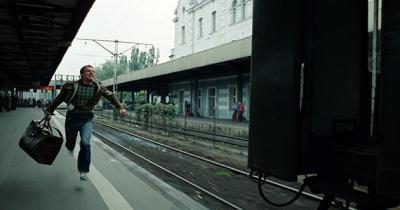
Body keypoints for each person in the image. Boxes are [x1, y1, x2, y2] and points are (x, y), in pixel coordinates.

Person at [44, 65, 128, 180]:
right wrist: (49, 110)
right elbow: (59, 98)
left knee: (85, 143)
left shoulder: (98, 87)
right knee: (70, 143)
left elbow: (111, 96)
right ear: (82, 74)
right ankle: (70, 146)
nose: (91, 73)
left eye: (93, 72)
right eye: (88, 71)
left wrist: (120, 108)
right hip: (71, 119)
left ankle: (83, 170)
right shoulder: (70, 86)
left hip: (86, 119)